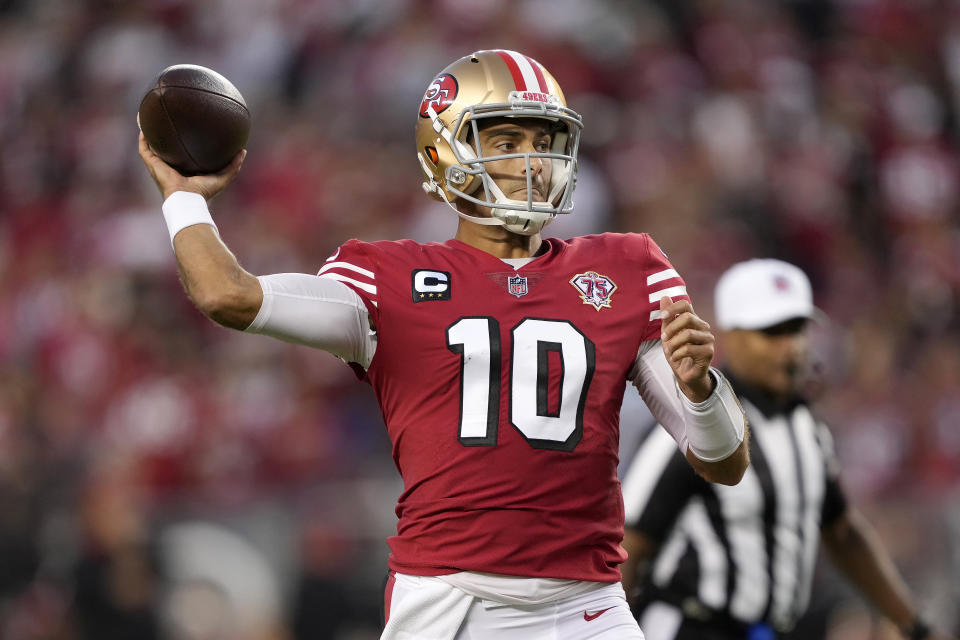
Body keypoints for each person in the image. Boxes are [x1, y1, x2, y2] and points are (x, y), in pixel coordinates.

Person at [138, 49, 749, 640]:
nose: (532, 161)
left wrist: (702, 391)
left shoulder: (628, 268)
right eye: (506, 142)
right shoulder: (388, 277)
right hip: (450, 605)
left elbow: (724, 462)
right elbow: (228, 296)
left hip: (587, 605)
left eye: (542, 140)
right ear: (444, 150)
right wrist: (184, 198)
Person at [620, 258, 955, 640]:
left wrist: (915, 624)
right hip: (688, 627)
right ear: (730, 335)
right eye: (771, 332)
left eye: (796, 329)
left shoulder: (807, 428)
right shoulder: (692, 421)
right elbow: (630, 542)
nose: (790, 348)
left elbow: (843, 532)